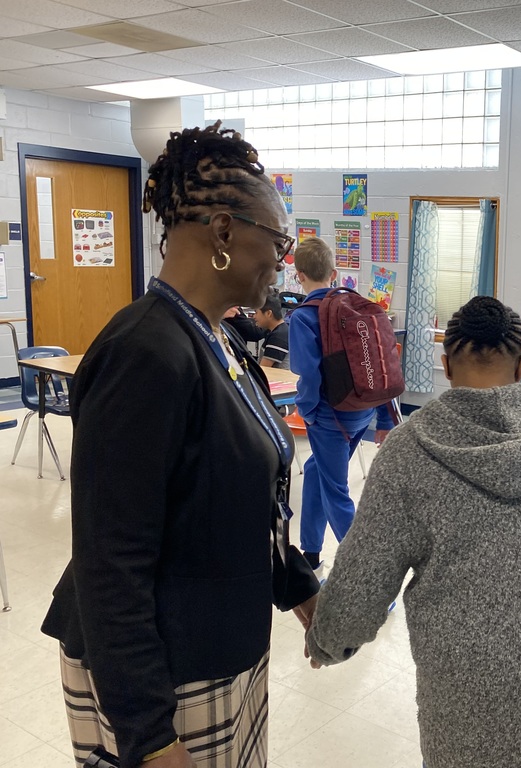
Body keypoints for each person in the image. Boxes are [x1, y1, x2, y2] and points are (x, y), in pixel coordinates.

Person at [40, 123, 320, 768]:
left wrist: (298, 585)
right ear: (223, 231)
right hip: (164, 675)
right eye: (276, 241)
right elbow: (112, 559)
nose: (281, 261)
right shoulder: (145, 351)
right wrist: (149, 736)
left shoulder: (216, 340)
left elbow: (243, 496)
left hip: (220, 641)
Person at [305, 296, 521, 768]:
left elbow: (363, 577)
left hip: (468, 681)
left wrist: (328, 640)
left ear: (445, 366)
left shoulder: (408, 453)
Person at [288, 236, 394, 575]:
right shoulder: (358, 306)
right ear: (334, 273)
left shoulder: (303, 317)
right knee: (318, 474)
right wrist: (384, 419)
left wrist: (305, 411)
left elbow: (308, 373)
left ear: (298, 275)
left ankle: (368, 577)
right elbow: (380, 362)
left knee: (336, 493)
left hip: (328, 417)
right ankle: (310, 554)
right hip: (362, 412)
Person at [255, 291, 289, 368]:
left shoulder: (279, 336)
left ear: (268, 313)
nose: (254, 317)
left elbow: (264, 369)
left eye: (256, 312)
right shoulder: (279, 331)